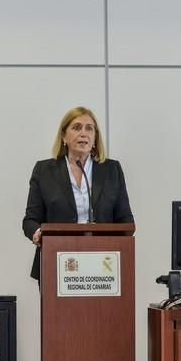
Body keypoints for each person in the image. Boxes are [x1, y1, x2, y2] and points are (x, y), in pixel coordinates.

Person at [22, 106, 134, 281]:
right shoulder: (44, 170)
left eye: (89, 128)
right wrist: (36, 233)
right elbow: (30, 220)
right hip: (56, 264)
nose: (84, 133)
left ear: (95, 138)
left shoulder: (112, 170)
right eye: (76, 127)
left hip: (103, 269)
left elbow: (126, 221)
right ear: (64, 136)